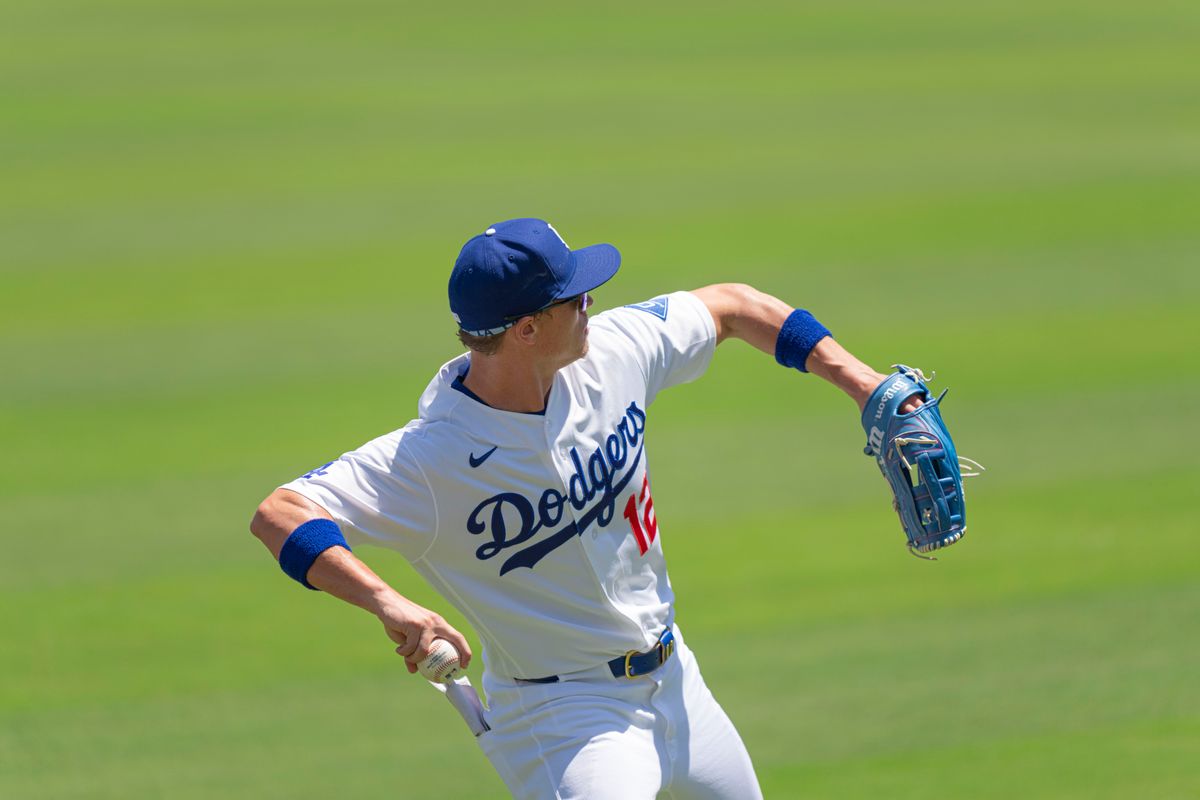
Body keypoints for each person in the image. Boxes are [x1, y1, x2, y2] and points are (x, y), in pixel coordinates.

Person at [251, 218, 906, 799]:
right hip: (567, 719)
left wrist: (857, 379)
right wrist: (388, 603)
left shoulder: (614, 353)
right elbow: (279, 513)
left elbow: (730, 306)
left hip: (679, 681)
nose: (591, 301)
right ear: (528, 329)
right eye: (573, 297)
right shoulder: (427, 461)